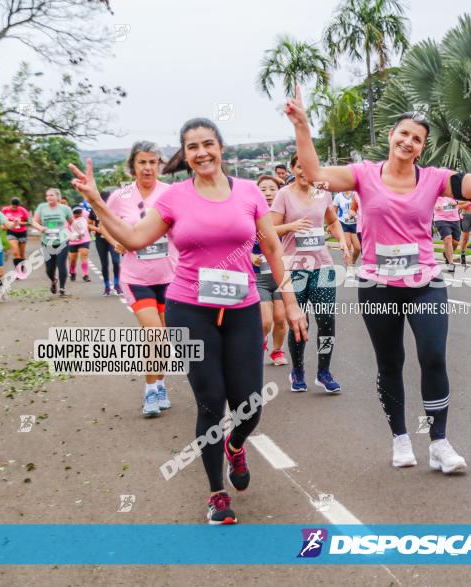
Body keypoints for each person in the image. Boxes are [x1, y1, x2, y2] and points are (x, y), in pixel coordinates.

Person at [285, 83, 471, 473]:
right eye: (404, 134)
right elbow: (314, 172)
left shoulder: (433, 179)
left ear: (422, 148)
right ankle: (400, 437)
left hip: (425, 282)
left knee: (433, 356)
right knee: (389, 363)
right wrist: (303, 126)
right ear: (391, 137)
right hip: (377, 286)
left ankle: (440, 443)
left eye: (417, 139)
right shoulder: (362, 175)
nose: (409, 142)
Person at [70, 118, 307, 525]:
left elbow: (270, 247)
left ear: (220, 148)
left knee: (249, 404)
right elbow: (131, 239)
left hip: (242, 308)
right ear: (185, 153)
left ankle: (236, 445)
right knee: (211, 400)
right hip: (190, 308)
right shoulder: (175, 198)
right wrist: (96, 199)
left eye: (208, 144)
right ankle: (217, 493)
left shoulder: (249, 192)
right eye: (192, 146)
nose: (201, 152)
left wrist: (291, 299)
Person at [105, 142, 178, 417]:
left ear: (159, 164)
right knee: (154, 335)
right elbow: (105, 222)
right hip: (136, 277)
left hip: (170, 277)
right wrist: (116, 241)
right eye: (142, 163)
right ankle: (149, 392)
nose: (148, 167)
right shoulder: (120, 196)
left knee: (164, 338)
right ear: (132, 166)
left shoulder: (171, 193)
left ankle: (160, 383)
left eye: (153, 162)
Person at [271, 153, 350, 393]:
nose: (304, 172)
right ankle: (297, 371)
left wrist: (343, 241)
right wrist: (291, 227)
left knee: (327, 321)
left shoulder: (323, 193)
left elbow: (333, 221)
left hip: (323, 266)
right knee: (298, 321)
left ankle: (324, 372)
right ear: (293, 169)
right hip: (295, 268)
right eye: (299, 167)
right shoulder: (283, 195)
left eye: (308, 167)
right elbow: (270, 230)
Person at [252, 174, 289, 366]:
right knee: (265, 321)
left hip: (281, 276)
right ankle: (262, 339)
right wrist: (250, 256)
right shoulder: (251, 215)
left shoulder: (287, 214)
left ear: (279, 191)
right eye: (263, 189)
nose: (267, 193)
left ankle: (277, 351)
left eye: (272, 189)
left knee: (281, 319)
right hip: (259, 277)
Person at [32, 188, 73, 297]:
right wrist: (40, 228)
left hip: (62, 240)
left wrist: (78, 232)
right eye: (47, 195)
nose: (49, 197)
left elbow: (72, 222)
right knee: (49, 269)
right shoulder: (42, 207)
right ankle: (54, 280)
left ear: (58, 197)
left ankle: (62, 288)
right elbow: (34, 221)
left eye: (51, 195)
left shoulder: (65, 209)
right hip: (47, 241)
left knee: (61, 264)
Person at [88, 189, 123, 296]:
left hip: (113, 240)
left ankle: (117, 285)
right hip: (100, 240)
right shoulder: (95, 210)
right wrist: (97, 229)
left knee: (116, 261)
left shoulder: (116, 210)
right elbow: (88, 224)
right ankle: (107, 286)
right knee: (104, 264)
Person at [1, 197, 30, 273]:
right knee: (15, 253)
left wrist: (21, 223)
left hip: (22, 232)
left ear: (19, 205)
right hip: (11, 232)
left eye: (16, 207)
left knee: (22, 254)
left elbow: (30, 222)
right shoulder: (5, 210)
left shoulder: (23, 210)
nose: (15, 208)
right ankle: (18, 272)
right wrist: (3, 226)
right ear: (11, 204)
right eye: (13, 206)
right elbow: (2, 221)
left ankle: (22, 267)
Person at [433, 194, 461, 272]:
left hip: (455, 219)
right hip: (441, 218)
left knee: (455, 242)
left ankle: (446, 254)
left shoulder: (454, 191)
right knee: (448, 239)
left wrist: (457, 203)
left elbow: (464, 201)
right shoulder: (436, 190)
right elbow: (428, 200)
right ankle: (450, 263)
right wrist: (434, 205)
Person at [333, 190, 361, 266]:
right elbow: (333, 213)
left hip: (355, 224)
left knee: (358, 247)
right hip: (343, 224)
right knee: (347, 246)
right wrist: (333, 226)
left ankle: (353, 263)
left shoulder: (355, 194)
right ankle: (349, 268)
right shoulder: (338, 197)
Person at [68, 206, 92, 282]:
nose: (78, 215)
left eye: (79, 213)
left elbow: (93, 216)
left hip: (84, 240)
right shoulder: (69, 218)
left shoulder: (86, 214)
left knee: (84, 255)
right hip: (73, 241)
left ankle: (85, 275)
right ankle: (72, 272)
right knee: (73, 259)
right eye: (76, 214)